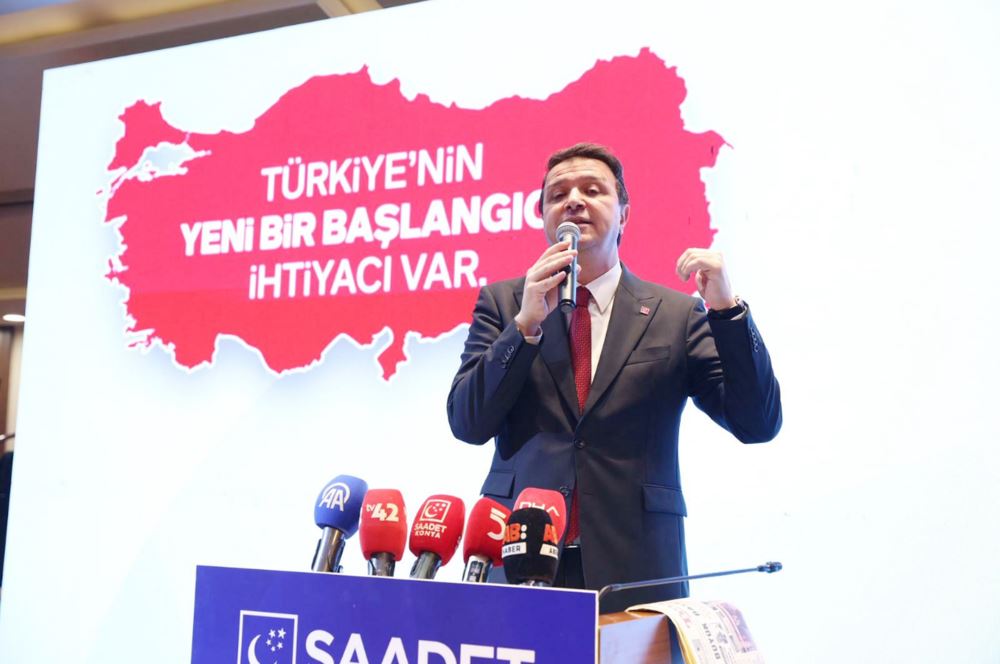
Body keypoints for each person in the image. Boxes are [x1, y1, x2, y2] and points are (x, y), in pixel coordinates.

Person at [447, 143, 782, 612]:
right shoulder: (505, 304)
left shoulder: (675, 314)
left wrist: (727, 312)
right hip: (521, 557)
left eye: (592, 190)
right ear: (542, 217)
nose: (573, 201)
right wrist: (524, 328)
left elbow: (757, 422)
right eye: (558, 194)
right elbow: (467, 423)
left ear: (624, 214)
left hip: (636, 567)